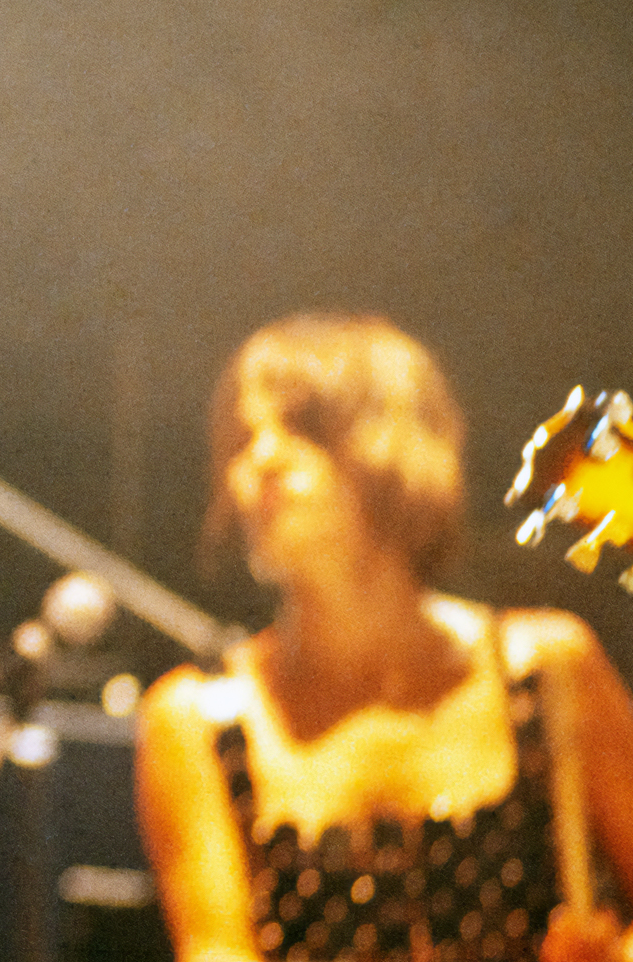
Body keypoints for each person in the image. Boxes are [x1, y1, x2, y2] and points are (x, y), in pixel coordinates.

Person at [135, 314, 633, 962]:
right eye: (240, 439)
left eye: (303, 427)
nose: (260, 458)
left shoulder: (548, 668)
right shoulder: (195, 721)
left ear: (398, 443)